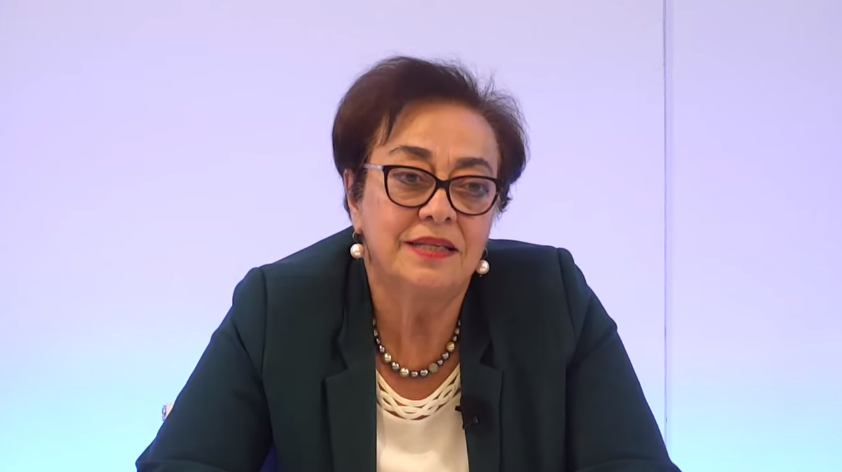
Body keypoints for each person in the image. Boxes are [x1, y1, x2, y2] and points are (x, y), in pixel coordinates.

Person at [137, 55, 681, 472]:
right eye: (410, 178)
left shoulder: (553, 300)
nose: (440, 209)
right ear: (354, 194)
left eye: (472, 186)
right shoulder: (276, 308)